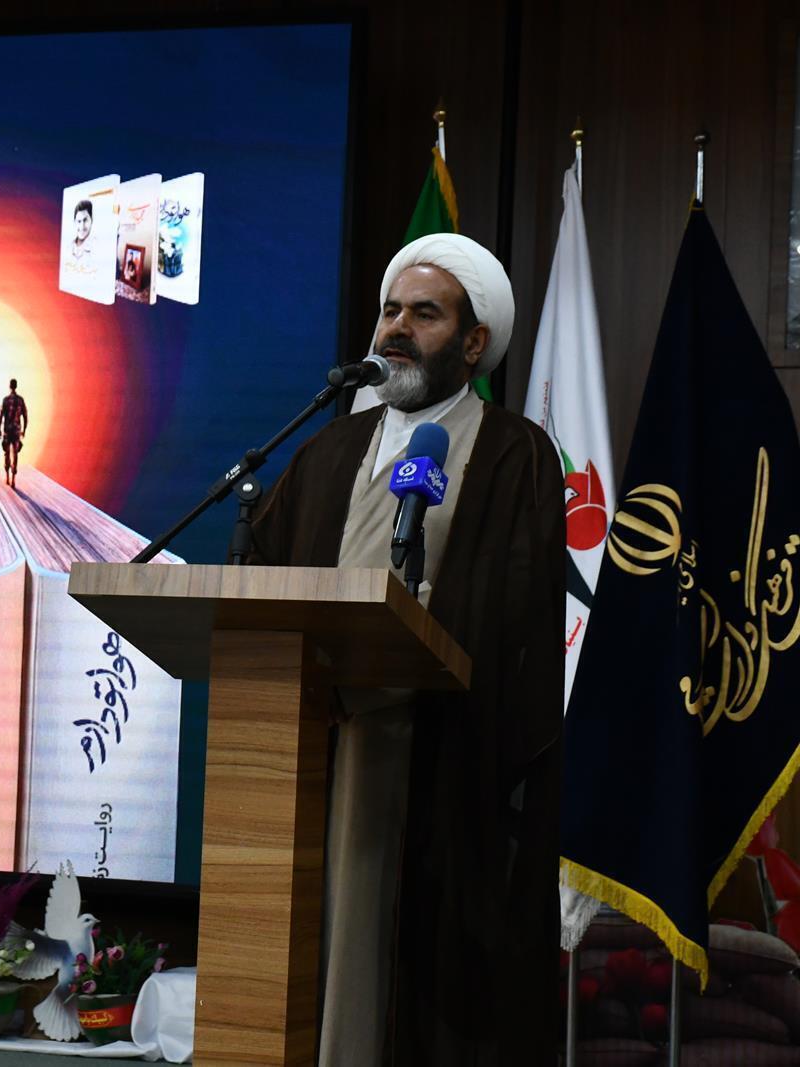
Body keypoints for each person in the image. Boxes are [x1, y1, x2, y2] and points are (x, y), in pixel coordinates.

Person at [247, 233, 564, 1066]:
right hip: (319, 749)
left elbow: (521, 622)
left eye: (425, 314)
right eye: (390, 310)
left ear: (473, 343)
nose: (395, 328)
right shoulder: (328, 450)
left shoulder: (513, 453)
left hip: (445, 760)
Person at [0, 379, 28, 487]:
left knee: (6, 453)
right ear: (16, 386)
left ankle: (7, 477)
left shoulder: (5, 400)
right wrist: (24, 430)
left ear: (10, 386)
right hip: (16, 430)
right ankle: (13, 479)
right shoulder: (20, 400)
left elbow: (0, 416)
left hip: (7, 430)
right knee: (15, 453)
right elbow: (25, 416)